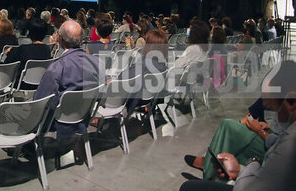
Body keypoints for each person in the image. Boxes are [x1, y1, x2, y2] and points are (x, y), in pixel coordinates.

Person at [180, 60, 296, 191]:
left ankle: (210, 173)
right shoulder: (288, 136)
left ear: (291, 101)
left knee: (188, 187)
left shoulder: (288, 147)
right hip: (254, 172)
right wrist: (240, 170)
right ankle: (211, 172)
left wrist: (250, 166)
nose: (274, 118)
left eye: (273, 109)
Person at [34, 20, 104, 139]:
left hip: (57, 122)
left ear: (60, 39)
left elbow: (40, 104)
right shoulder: (97, 63)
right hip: (84, 116)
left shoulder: (56, 68)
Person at [118, 29, 168, 115]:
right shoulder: (163, 65)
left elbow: (123, 77)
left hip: (137, 99)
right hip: (151, 98)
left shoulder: (144, 63)